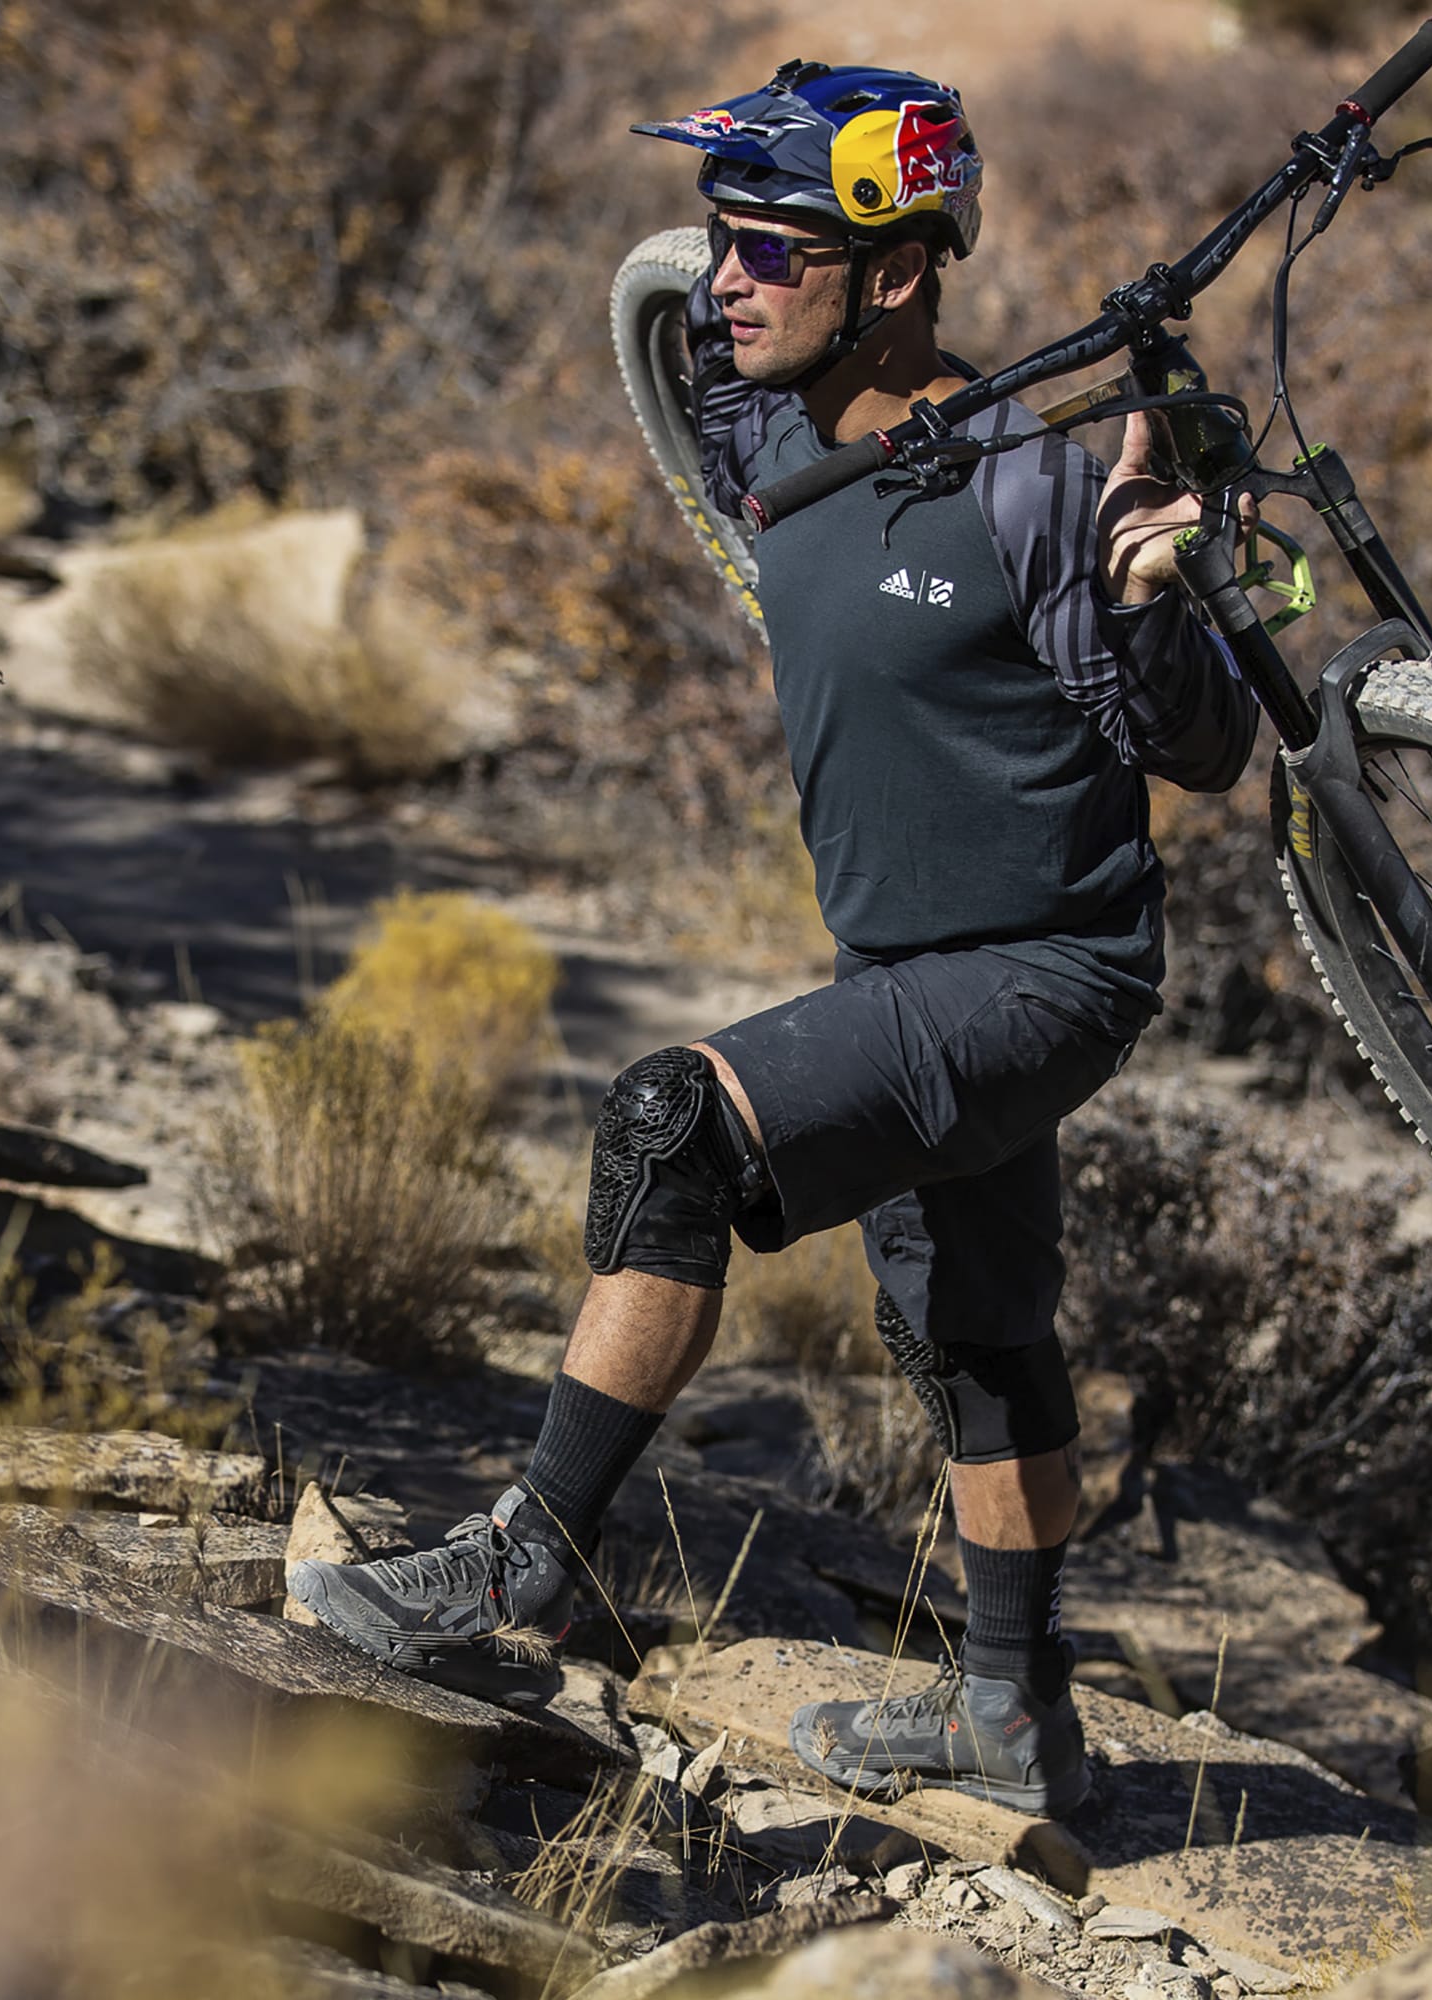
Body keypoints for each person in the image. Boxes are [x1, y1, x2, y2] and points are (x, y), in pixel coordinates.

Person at [291, 60, 1257, 1819]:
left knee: (672, 1128)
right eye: (721, 241)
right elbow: (666, 326)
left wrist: (1141, 593)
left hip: (1043, 972)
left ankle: (527, 1562)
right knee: (972, 1331)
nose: (727, 281)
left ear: (894, 275)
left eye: (771, 251)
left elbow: (1200, 751)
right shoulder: (760, 425)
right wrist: (715, 272)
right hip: (897, 966)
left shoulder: (1024, 486)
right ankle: (1013, 1715)